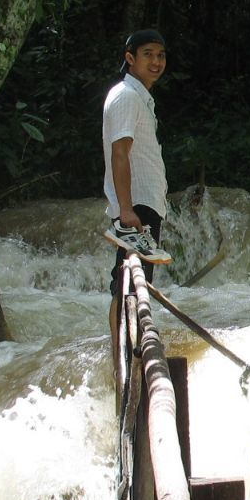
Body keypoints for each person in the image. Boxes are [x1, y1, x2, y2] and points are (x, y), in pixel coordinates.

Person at [103, 29, 172, 327]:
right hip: (137, 207)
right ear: (130, 58)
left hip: (144, 204)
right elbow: (120, 154)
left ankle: (129, 360)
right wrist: (127, 209)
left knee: (132, 283)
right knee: (129, 285)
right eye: (148, 54)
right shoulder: (127, 96)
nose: (156, 61)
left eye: (160, 55)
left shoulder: (138, 97)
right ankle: (126, 362)